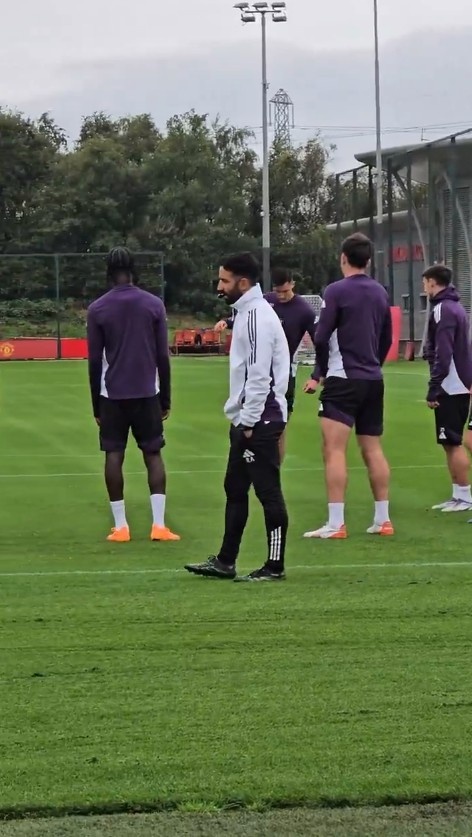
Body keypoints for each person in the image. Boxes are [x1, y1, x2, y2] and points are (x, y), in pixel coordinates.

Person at [185, 253, 290, 582]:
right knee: (234, 487)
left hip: (260, 419)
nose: (219, 286)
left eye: (224, 281)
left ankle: (275, 566)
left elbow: (260, 375)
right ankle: (225, 561)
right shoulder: (245, 313)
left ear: (243, 283)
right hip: (247, 417)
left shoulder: (258, 316)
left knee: (268, 492)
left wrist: (249, 421)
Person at [303, 233, 393, 539]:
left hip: (343, 378)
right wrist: (375, 364)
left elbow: (321, 335)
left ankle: (336, 523)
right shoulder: (380, 291)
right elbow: (387, 337)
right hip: (373, 379)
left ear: (343, 257)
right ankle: (383, 519)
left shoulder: (336, 290)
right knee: (373, 448)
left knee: (334, 449)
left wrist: (321, 370)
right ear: (368, 260)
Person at [87, 247, 180, 543]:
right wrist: (165, 398)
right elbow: (162, 356)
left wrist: (96, 406)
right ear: (133, 269)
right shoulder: (153, 304)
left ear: (108, 271)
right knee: (152, 454)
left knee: (114, 455)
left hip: (111, 394)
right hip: (147, 392)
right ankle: (159, 525)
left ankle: (121, 527)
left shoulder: (98, 308)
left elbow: (94, 361)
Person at [215, 268, 317, 460]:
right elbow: (247, 317)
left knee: (279, 426)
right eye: (278, 292)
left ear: (293, 284)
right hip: (257, 368)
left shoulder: (304, 310)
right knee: (248, 420)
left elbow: (319, 341)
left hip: (283, 373)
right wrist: (227, 322)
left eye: (285, 291)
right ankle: (248, 463)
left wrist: (316, 376)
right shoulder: (265, 301)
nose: (281, 296)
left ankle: (274, 468)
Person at [422, 264, 472, 513]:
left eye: (425, 283)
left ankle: (465, 496)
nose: (424, 287)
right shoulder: (454, 307)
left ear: (432, 282)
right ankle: (458, 495)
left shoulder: (444, 309)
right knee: (449, 441)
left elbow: (444, 350)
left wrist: (434, 386)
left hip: (451, 384)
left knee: (453, 441)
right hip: (456, 382)